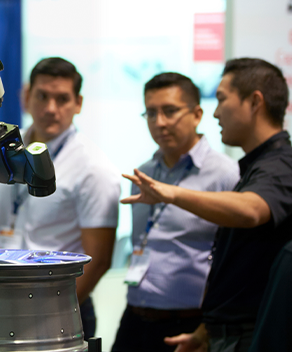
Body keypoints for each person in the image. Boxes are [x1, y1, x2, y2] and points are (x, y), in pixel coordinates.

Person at [122, 58, 292, 352]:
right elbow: (235, 267)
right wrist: (205, 332)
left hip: (243, 331)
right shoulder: (256, 165)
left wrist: (172, 194)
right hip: (199, 326)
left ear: (254, 102)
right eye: (151, 113)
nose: (216, 112)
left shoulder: (277, 165)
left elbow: (251, 210)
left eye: (222, 99)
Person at [0, 57, 120, 340]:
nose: (51, 109)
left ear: (78, 103)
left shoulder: (93, 168)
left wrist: (48, 314)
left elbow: (99, 260)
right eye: (42, 96)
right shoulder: (6, 150)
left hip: (59, 310)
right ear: (26, 96)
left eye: (62, 99)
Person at [111, 73, 239, 352]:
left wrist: (206, 332)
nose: (160, 123)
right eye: (151, 113)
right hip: (135, 316)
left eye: (170, 111)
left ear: (196, 114)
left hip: (190, 323)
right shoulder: (144, 171)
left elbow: (234, 262)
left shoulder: (225, 174)